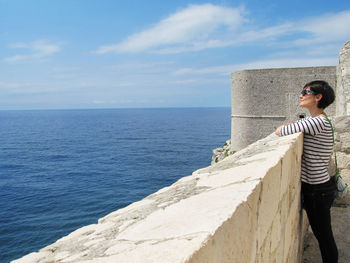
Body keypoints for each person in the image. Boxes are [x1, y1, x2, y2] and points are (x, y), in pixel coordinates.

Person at [275, 80, 338, 263]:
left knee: (324, 236)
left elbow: (281, 131)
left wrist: (282, 127)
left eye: (305, 91)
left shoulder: (316, 122)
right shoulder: (317, 121)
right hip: (318, 187)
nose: (300, 95)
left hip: (318, 190)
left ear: (318, 97)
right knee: (322, 234)